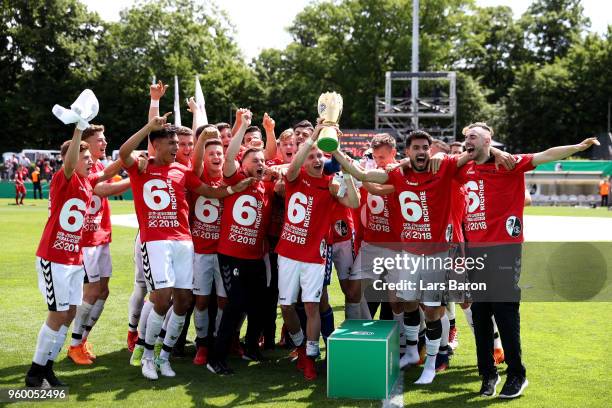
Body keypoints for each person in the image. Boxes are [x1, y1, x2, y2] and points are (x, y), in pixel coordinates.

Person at [460, 122, 598, 398]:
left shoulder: (511, 163)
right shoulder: (462, 167)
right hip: (474, 251)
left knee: (505, 311)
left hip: (505, 248)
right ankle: (487, 375)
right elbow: (434, 161)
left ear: (488, 140)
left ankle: (516, 375)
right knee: (480, 314)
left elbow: (546, 154)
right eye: (466, 137)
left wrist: (578, 147)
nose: (467, 140)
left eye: (473, 136)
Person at [119, 114, 252, 380]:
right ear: (155, 145)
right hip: (155, 242)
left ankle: (165, 357)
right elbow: (124, 152)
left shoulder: (182, 171)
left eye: (176, 144)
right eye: (170, 143)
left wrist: (232, 189)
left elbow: (208, 190)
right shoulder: (141, 167)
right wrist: (148, 126)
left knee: (183, 301)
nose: (175, 148)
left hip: (183, 241)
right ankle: (148, 356)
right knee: (160, 299)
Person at [25, 122, 123, 387]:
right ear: (72, 160)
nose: (92, 162)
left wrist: (135, 153)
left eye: (91, 158)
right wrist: (79, 128)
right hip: (53, 257)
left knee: (68, 314)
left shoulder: (87, 181)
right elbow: (69, 163)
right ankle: (35, 372)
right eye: (86, 158)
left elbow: (111, 170)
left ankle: (46, 367)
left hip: (72, 258)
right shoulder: (64, 178)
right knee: (57, 314)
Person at [276, 124, 360, 381]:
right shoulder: (294, 177)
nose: (315, 159)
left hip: (315, 254)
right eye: (310, 156)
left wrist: (344, 171)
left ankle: (310, 357)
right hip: (289, 251)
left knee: (312, 305)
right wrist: (313, 137)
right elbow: (293, 165)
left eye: (319, 156)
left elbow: (354, 203)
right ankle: (300, 346)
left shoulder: (330, 184)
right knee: (287, 307)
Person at [207, 110, 276, 375]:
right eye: (254, 160)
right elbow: (227, 160)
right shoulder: (236, 179)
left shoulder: (265, 186)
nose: (260, 163)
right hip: (231, 254)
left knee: (259, 304)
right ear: (243, 164)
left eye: (262, 160)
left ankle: (250, 347)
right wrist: (243, 126)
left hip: (255, 257)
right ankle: (216, 357)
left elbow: (279, 169)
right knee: (235, 305)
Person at [67, 124, 131, 365]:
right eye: (100, 140)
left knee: (103, 290)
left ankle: (82, 339)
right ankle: (74, 345)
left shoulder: (100, 165)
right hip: (85, 241)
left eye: (104, 140)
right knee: (92, 292)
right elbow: (102, 189)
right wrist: (132, 178)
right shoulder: (80, 168)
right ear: (86, 143)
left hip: (101, 237)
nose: (104, 144)